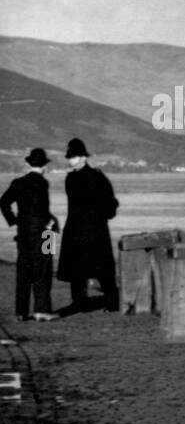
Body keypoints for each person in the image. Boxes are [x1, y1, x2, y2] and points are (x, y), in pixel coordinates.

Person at [56, 138, 119, 314]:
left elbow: (109, 203)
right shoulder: (84, 177)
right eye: (70, 157)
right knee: (84, 269)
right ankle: (81, 302)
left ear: (83, 157)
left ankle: (110, 302)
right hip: (86, 228)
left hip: (90, 229)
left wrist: (101, 216)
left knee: (99, 269)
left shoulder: (88, 178)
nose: (71, 160)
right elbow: (110, 204)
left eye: (74, 157)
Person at [1, 148, 60, 322]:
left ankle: (21, 311)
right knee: (44, 269)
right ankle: (42, 310)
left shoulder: (18, 182)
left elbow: (3, 203)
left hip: (23, 233)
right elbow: (40, 207)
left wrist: (15, 221)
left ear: (28, 164)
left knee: (24, 271)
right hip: (45, 233)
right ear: (44, 167)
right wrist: (49, 223)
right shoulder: (42, 183)